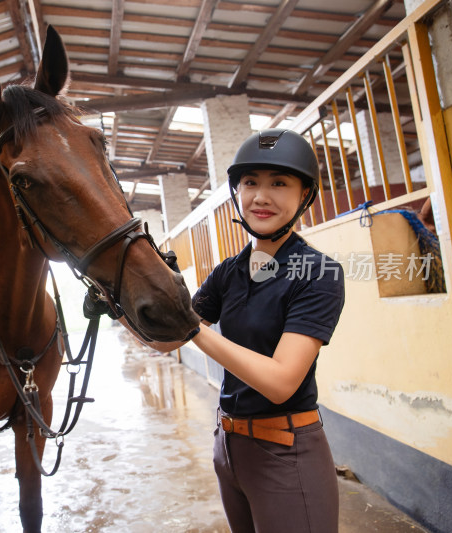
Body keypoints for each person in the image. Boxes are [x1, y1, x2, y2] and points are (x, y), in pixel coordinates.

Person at [141, 128, 345, 533]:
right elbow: (165, 342)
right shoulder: (228, 272)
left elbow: (282, 382)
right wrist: (121, 301)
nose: (261, 196)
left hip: (286, 451)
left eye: (279, 183)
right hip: (228, 446)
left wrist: (190, 327)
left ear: (305, 194)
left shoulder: (318, 272)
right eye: (250, 182)